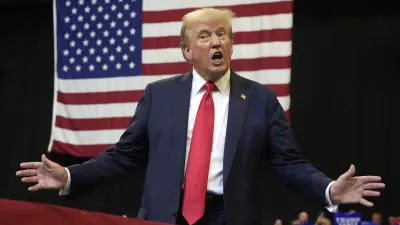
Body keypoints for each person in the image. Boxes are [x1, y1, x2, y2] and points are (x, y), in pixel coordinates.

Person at [16, 8, 385, 225]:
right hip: (165, 215)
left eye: (222, 34)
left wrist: (328, 189)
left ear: (231, 45)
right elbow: (123, 156)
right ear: (187, 50)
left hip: (231, 216)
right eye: (205, 35)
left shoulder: (260, 100)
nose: (216, 42)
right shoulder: (158, 96)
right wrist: (68, 175)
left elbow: (288, 164)